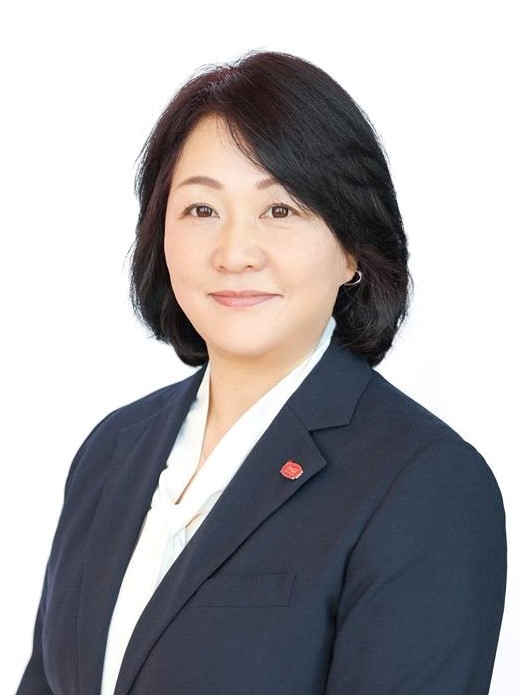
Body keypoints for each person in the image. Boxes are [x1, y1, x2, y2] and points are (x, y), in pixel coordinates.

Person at [18, 50, 506, 695]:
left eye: (280, 210)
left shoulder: (427, 485)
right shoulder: (112, 450)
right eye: (201, 210)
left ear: (353, 248)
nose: (235, 253)